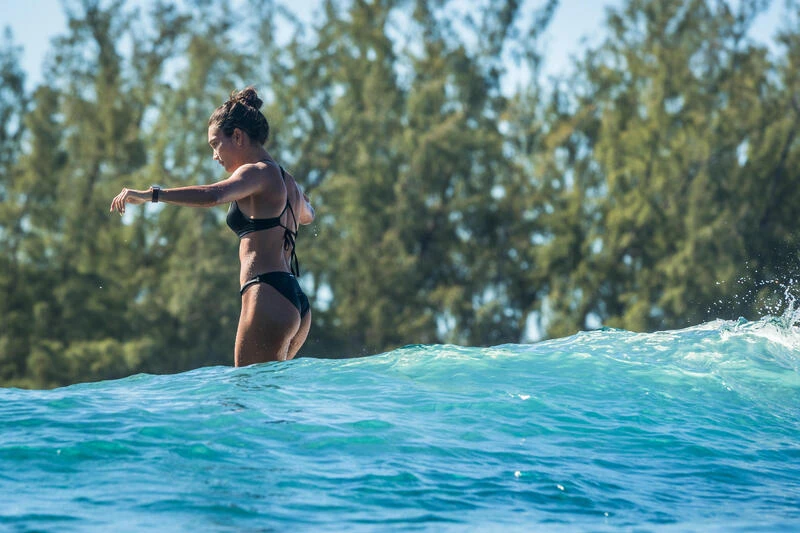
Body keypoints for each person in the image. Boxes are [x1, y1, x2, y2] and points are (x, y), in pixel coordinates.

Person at [110, 87, 315, 366]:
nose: (214, 156)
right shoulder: (286, 179)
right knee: (267, 398)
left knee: (247, 394)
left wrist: (152, 194)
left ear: (238, 136)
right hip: (294, 300)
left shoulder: (255, 171)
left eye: (215, 144)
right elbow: (308, 215)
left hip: (266, 295)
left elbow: (212, 195)